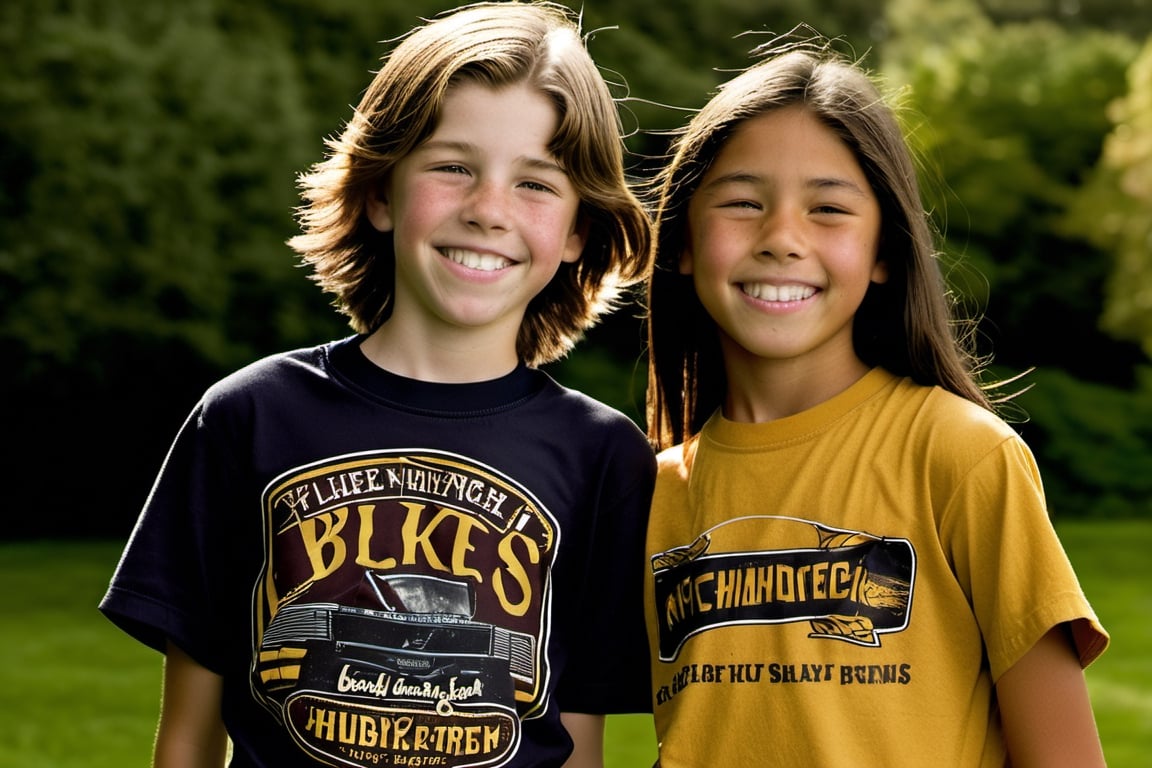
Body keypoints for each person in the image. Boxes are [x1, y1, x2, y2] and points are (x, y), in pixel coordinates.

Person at [100, 3, 656, 766]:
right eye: (453, 166)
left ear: (576, 233)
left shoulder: (604, 458)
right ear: (379, 192)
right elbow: (190, 738)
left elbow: (578, 746)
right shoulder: (249, 416)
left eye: (535, 183)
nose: (489, 210)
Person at [642, 38, 1109, 767]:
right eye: (741, 203)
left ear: (884, 251)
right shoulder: (655, 492)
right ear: (683, 244)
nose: (782, 239)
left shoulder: (962, 456)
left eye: (828, 209)